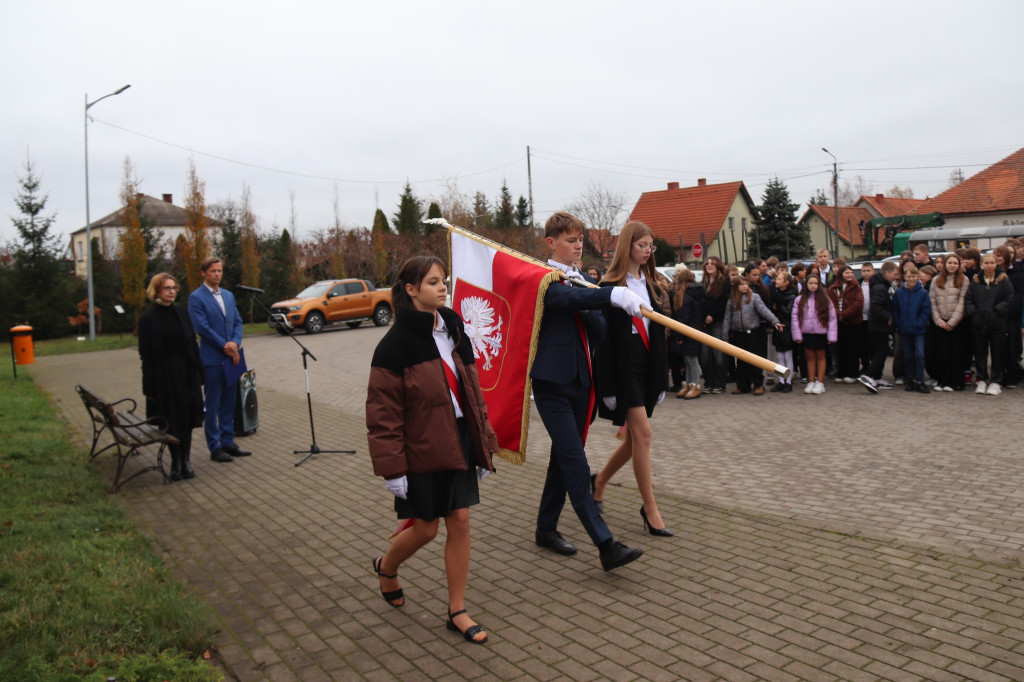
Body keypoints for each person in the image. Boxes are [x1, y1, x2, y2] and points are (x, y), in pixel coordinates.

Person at [366, 256, 497, 644]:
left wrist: (485, 441)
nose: (443, 288)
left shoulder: (454, 328)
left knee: (460, 522)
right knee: (424, 529)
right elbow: (383, 414)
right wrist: (393, 471)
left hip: (458, 439)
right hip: (420, 448)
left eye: (444, 281)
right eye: (433, 283)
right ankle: (387, 568)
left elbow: (473, 391)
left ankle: (457, 609)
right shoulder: (394, 346)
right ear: (411, 290)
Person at [532, 211, 645, 571]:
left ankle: (545, 528)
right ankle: (605, 543)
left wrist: (596, 297)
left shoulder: (582, 281)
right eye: (570, 240)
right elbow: (562, 302)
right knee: (575, 461)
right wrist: (607, 295)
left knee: (562, 458)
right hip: (552, 383)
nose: (578, 245)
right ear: (551, 243)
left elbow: (598, 330)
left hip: (582, 383)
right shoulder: (543, 276)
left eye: (580, 239)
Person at [592, 221, 671, 537]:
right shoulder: (608, 286)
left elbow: (660, 332)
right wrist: (608, 386)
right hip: (623, 369)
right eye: (642, 245)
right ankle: (649, 508)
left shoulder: (652, 285)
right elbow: (604, 343)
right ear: (628, 246)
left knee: (636, 440)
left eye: (651, 246)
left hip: (647, 365)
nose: (648, 251)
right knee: (645, 435)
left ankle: (598, 481)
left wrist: (661, 377)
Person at [138, 273, 204, 481]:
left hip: (186, 373)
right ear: (157, 291)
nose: (172, 291)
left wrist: (199, 373)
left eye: (174, 288)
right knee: (171, 419)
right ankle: (175, 461)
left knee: (186, 418)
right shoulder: (148, 319)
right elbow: (146, 354)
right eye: (167, 288)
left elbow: (192, 344)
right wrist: (148, 385)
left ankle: (186, 459)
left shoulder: (182, 314)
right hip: (164, 376)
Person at [188, 256, 251, 462]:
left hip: (233, 357)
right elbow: (202, 328)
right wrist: (225, 345)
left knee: (230, 401)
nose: (217, 274)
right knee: (213, 403)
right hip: (213, 358)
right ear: (204, 273)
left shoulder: (228, 295)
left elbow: (238, 321)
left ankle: (228, 441)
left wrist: (235, 341)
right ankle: (214, 447)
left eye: (219, 271)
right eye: (213, 271)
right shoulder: (196, 298)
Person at [965, 252, 1014, 396]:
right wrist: (974, 313)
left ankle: (996, 381)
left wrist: (998, 311)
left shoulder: (1003, 280)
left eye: (992, 263)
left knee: (997, 353)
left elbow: (1010, 297)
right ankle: (981, 380)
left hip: (996, 323)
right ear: (981, 264)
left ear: (996, 264)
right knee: (980, 353)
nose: (989, 265)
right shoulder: (976, 281)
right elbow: (969, 299)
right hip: (979, 323)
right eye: (986, 263)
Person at [723, 278, 783, 395]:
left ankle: (758, 384)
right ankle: (743, 385)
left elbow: (764, 310)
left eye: (746, 284)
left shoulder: (754, 297)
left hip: (753, 332)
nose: (744, 287)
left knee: (754, 360)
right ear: (736, 287)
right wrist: (725, 336)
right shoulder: (731, 300)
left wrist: (775, 321)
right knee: (740, 361)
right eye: (741, 285)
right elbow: (727, 318)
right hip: (738, 333)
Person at [930, 253, 970, 391]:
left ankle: (955, 382)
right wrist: (938, 320)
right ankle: (943, 381)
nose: (952, 265)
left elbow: (962, 302)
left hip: (957, 324)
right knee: (942, 354)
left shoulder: (964, 280)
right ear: (945, 264)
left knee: (956, 354)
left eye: (955, 263)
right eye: (949, 263)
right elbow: (932, 301)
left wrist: (952, 322)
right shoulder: (936, 280)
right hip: (940, 322)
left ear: (958, 265)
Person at [791, 274, 836, 395]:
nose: (813, 286)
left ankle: (820, 382)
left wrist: (831, 335)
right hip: (806, 333)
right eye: (810, 283)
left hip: (821, 333)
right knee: (810, 358)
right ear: (806, 285)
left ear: (819, 285)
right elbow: (795, 318)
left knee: (821, 357)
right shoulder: (799, 299)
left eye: (815, 283)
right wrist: (797, 335)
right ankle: (811, 381)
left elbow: (832, 318)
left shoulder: (825, 299)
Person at [859, 261, 900, 393]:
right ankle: (869, 375)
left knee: (880, 351)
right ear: (887, 273)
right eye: (895, 273)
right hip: (878, 325)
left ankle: (877, 378)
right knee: (881, 351)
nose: (896, 276)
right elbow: (876, 306)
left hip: (878, 325)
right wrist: (888, 317)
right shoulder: (880, 287)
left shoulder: (881, 285)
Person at [892, 265, 932, 394]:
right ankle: (910, 379)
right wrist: (899, 323)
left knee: (919, 354)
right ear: (904, 277)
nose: (911, 279)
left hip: (918, 329)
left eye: (914, 276)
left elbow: (926, 310)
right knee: (907, 355)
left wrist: (919, 323)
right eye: (909, 276)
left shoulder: (923, 293)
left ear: (918, 277)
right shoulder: (899, 293)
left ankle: (919, 379)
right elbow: (895, 310)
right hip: (904, 329)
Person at [827, 265, 865, 384]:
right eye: (847, 273)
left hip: (853, 322)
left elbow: (858, 303)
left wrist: (845, 314)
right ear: (841, 274)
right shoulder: (833, 288)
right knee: (840, 348)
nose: (850, 275)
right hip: (838, 323)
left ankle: (853, 373)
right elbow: (830, 303)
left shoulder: (856, 287)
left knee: (853, 348)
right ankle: (841, 372)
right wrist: (838, 315)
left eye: (851, 273)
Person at [699, 256, 731, 394]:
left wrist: (712, 316)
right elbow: (701, 302)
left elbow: (724, 302)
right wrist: (705, 317)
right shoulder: (703, 282)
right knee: (705, 356)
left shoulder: (724, 282)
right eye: (707, 263)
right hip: (705, 324)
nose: (709, 265)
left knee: (718, 355)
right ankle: (708, 382)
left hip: (718, 321)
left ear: (718, 266)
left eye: (712, 263)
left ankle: (720, 383)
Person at [672, 268, 704, 399]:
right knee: (688, 359)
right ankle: (690, 384)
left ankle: (695, 385)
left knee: (691, 359)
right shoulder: (696, 292)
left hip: (689, 330)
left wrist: (678, 336)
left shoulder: (685, 296)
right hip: (694, 329)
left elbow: (683, 316)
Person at [770, 270, 797, 392]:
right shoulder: (776, 294)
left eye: (779, 279)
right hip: (778, 327)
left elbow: (789, 313)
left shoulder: (791, 296)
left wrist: (779, 304)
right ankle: (781, 380)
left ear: (786, 282)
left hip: (787, 328)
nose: (777, 281)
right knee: (779, 356)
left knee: (788, 356)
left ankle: (789, 381)